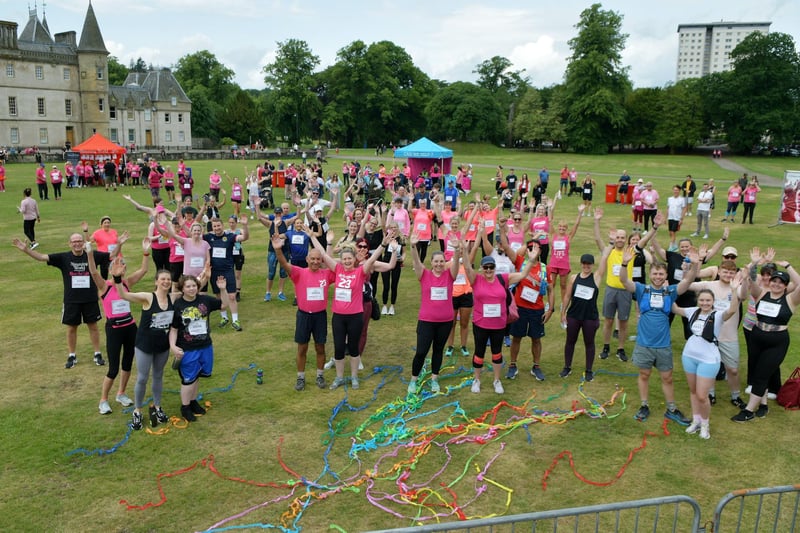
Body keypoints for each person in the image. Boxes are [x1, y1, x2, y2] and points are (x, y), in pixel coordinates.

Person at [12, 231, 118, 368]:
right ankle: (72, 355)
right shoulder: (63, 257)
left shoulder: (92, 255)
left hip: (90, 298)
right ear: (70, 244)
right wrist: (26, 250)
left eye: (79, 241)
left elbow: (111, 255)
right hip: (71, 300)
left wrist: (119, 243)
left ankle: (97, 354)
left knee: (93, 326)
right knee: (71, 328)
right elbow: (41, 257)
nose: (77, 243)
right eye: (74, 241)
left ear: (84, 243)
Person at [618, 243, 698, 425]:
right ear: (651, 274)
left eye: (661, 274)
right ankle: (644, 405)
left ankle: (671, 409)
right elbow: (624, 281)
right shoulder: (641, 289)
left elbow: (687, 282)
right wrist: (624, 264)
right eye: (655, 273)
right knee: (644, 374)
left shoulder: (670, 291)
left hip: (663, 345)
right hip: (644, 344)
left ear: (665, 276)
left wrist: (694, 266)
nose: (657, 276)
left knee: (667, 377)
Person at [310, 230, 392, 390]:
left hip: (355, 316)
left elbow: (374, 258)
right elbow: (323, 254)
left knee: (354, 348)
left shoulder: (360, 272)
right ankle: (339, 378)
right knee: (339, 347)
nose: (347, 261)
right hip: (339, 317)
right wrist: (313, 237)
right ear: (340, 261)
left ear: (355, 259)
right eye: (344, 259)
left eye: (349, 259)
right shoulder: (337, 270)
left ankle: (354, 377)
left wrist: (383, 244)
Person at [87, 239, 151, 416]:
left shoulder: (126, 283)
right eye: (116, 264)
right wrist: (90, 253)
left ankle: (121, 393)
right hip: (114, 329)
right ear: (110, 270)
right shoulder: (104, 286)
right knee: (113, 368)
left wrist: (146, 253)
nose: (120, 266)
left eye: (122, 264)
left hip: (130, 328)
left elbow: (144, 270)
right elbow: (92, 271)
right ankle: (103, 400)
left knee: (127, 364)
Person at [464, 242, 537, 393]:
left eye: (491, 267)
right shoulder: (476, 280)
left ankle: (497, 381)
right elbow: (466, 267)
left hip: (498, 325)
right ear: (482, 269)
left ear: (495, 268)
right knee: (479, 352)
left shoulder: (502, 279)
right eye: (486, 267)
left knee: (497, 352)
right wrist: (463, 251)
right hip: (480, 324)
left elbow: (522, 275)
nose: (489, 270)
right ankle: (476, 380)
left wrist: (530, 260)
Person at [733, 257, 800, 422]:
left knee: (763, 374)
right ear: (769, 281)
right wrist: (754, 264)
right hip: (757, 335)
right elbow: (751, 281)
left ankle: (749, 410)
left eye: (781, 282)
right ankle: (762, 404)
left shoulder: (790, 299)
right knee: (757, 372)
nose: (776, 284)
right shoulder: (761, 293)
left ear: (785, 285)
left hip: (777, 341)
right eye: (774, 280)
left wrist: (789, 266)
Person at [113, 267, 180, 430]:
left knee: (158, 375)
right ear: (156, 282)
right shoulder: (148, 298)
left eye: (168, 279)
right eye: (162, 279)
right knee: (142, 378)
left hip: (162, 345)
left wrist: (205, 275)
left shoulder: (174, 297)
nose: (166, 281)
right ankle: (137, 410)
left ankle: (157, 407)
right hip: (144, 345)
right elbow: (124, 295)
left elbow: (194, 287)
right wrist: (116, 278)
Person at [673, 282, 742, 439]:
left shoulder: (718, 315)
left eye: (708, 301)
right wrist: (668, 291)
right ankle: (695, 421)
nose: (704, 303)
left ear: (713, 302)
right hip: (689, 356)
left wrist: (733, 290)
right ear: (698, 301)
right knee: (693, 392)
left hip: (709, 359)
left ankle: (705, 424)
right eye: (702, 300)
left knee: (702, 396)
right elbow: (675, 309)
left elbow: (732, 310)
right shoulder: (692, 312)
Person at [273, 233, 335, 391]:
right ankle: (300, 377)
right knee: (302, 348)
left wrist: (330, 245)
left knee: (320, 347)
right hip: (303, 315)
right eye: (312, 259)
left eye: (318, 259)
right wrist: (278, 250)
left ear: (321, 260)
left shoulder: (327, 274)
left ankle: (320, 375)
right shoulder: (299, 273)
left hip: (320, 316)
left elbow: (339, 268)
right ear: (307, 260)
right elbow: (284, 264)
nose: (315, 261)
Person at [406, 232, 461, 395]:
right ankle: (413, 380)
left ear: (445, 263)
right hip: (426, 321)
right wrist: (413, 246)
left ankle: (434, 379)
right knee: (421, 351)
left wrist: (457, 249)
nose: (439, 264)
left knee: (438, 350)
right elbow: (416, 262)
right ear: (431, 263)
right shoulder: (424, 275)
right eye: (436, 261)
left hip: (445, 321)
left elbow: (456, 264)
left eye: (441, 261)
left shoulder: (449, 275)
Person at [169, 274, 228, 422]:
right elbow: (174, 329)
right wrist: (173, 346)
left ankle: (193, 401)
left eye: (194, 285)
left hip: (205, 346)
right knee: (188, 379)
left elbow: (224, 305)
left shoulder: (205, 300)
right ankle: (185, 407)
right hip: (187, 348)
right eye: (188, 286)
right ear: (182, 288)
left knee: (197, 376)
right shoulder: (178, 305)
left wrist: (223, 289)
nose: (191, 289)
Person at [689, 259, 747, 408]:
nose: (728, 275)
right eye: (725, 271)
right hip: (709, 336)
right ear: (719, 272)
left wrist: (744, 280)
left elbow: (744, 295)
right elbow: (689, 284)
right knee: (709, 366)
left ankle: (735, 396)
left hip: (729, 336)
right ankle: (711, 393)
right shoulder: (710, 285)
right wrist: (691, 267)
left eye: (731, 272)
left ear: (735, 275)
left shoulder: (737, 287)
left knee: (732, 370)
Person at [560, 250, 610, 381]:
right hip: (574, 315)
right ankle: (567, 367)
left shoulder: (596, 278)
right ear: (581, 264)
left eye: (589, 264)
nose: (586, 266)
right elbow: (567, 296)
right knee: (570, 341)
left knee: (589, 343)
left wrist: (608, 247)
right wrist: (563, 312)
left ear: (592, 265)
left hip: (589, 317)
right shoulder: (573, 278)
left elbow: (604, 264)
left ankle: (589, 370)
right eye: (584, 263)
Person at [204, 216, 249, 330]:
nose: (217, 228)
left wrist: (245, 225)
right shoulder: (208, 237)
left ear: (222, 226)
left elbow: (244, 237)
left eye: (218, 225)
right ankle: (224, 318)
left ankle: (235, 320)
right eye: (214, 226)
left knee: (232, 296)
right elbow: (192, 236)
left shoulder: (230, 236)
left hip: (228, 270)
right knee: (219, 296)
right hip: (215, 271)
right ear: (212, 227)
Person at [666, 185, 687, 251]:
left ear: (679, 191)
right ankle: (675, 245)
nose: (675, 191)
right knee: (670, 233)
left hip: (677, 218)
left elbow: (684, 209)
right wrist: (665, 218)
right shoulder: (670, 199)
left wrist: (681, 219)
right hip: (670, 218)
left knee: (673, 232)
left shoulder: (682, 199)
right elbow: (668, 208)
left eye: (677, 190)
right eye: (674, 190)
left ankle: (671, 246)